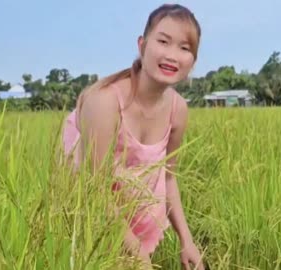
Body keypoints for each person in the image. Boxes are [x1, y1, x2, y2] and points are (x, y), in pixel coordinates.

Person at [62, 3, 205, 269]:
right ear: (142, 45)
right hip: (90, 217)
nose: (172, 55)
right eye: (163, 41)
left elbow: (168, 177)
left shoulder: (178, 109)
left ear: (192, 62)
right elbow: (95, 189)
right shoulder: (104, 101)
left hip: (136, 214)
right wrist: (136, 251)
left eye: (184, 48)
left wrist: (187, 241)